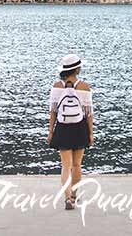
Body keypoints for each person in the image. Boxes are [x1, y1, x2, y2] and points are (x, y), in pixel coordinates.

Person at [48, 53, 93, 210]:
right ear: (77, 69)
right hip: (79, 127)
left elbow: (53, 111)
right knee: (77, 165)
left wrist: (51, 132)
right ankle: (74, 195)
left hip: (63, 127)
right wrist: (91, 133)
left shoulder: (57, 86)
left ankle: (67, 198)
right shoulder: (84, 87)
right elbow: (88, 113)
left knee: (65, 166)